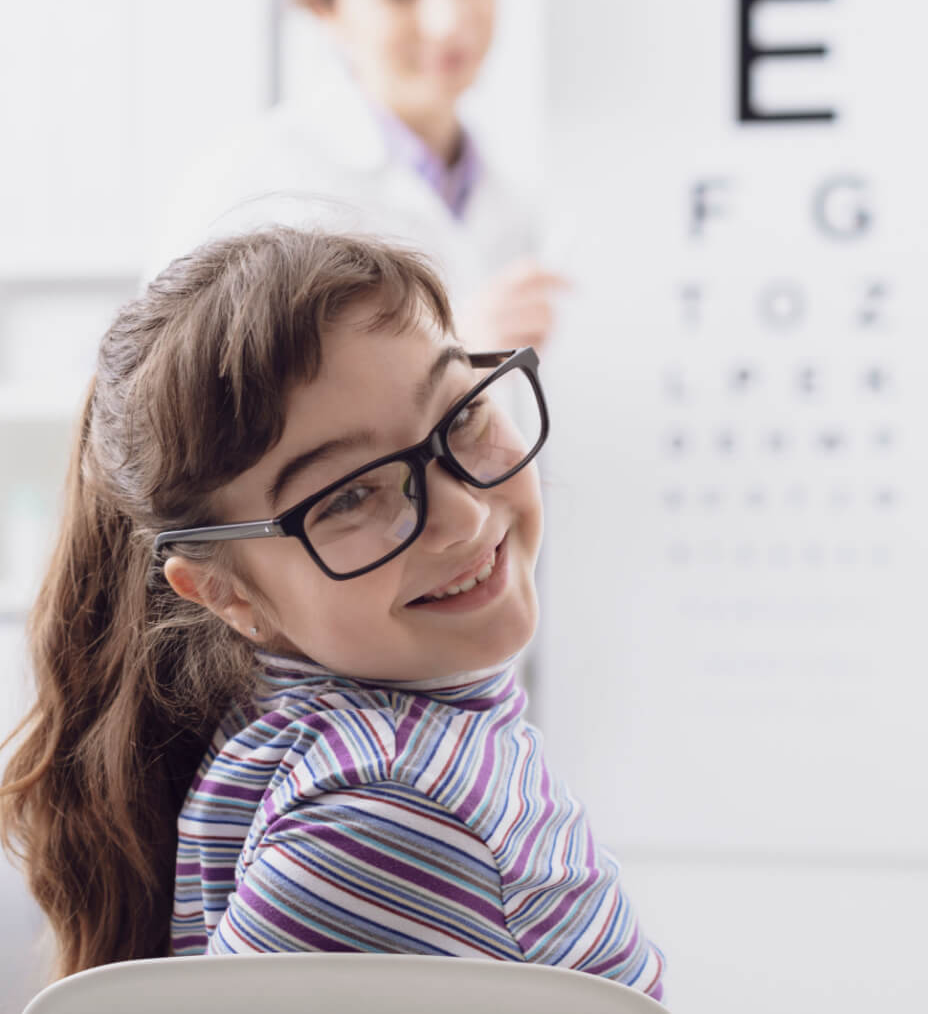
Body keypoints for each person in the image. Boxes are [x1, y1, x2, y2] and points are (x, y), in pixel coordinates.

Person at [0, 228, 663, 1001]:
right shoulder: (385, 815)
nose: (463, 518)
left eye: (462, 419)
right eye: (350, 496)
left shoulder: (322, 726)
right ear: (227, 594)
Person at [149, 0, 561, 353]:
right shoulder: (248, 184)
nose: (448, 20)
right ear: (323, 5)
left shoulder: (513, 194)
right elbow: (180, 409)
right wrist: (450, 361)